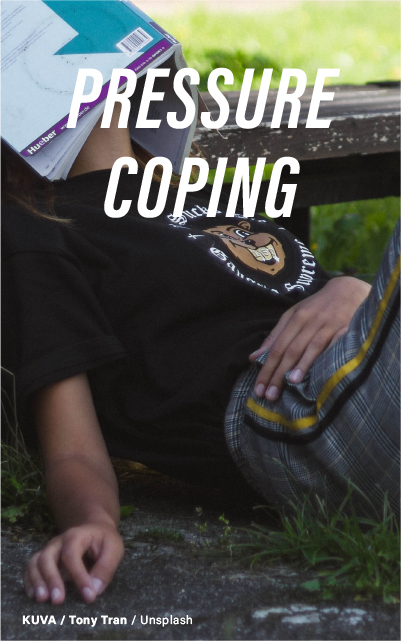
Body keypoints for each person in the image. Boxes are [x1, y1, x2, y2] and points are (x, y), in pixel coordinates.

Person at [2, 101, 398, 607]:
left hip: (363, 371)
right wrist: (92, 523)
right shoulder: (36, 228)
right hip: (304, 415)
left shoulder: (196, 195)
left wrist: (350, 288)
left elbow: (304, 297)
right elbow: (73, 448)